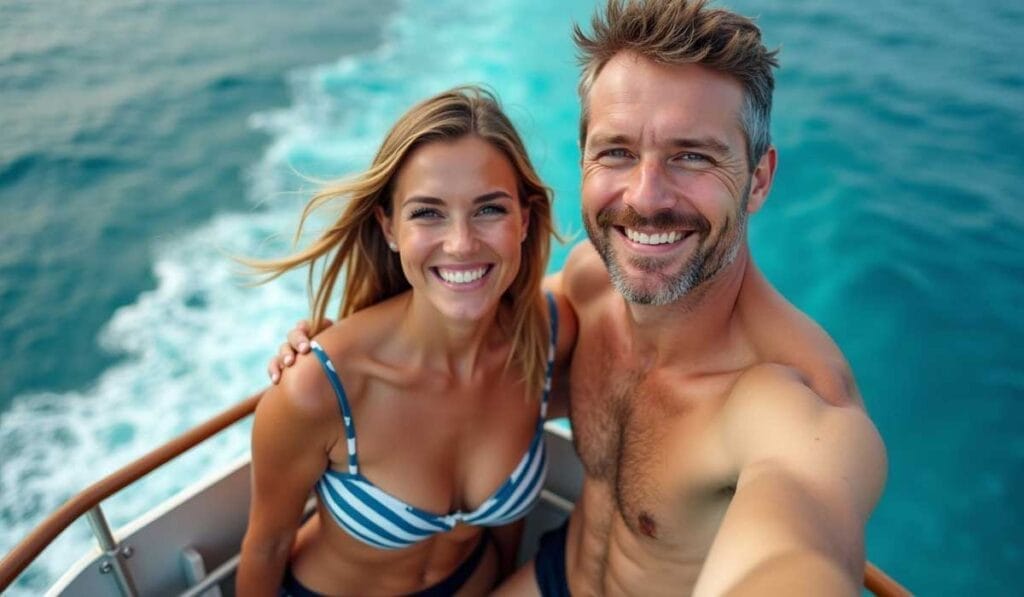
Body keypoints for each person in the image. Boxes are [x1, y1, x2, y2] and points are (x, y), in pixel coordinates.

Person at [271, 1, 888, 595]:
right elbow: (462, 335)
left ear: (757, 179)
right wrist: (335, 347)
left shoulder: (794, 396)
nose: (646, 197)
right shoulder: (591, 285)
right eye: (617, 151)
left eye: (692, 156)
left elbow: (797, 546)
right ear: (584, 161)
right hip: (553, 576)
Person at [238, 86, 576, 596]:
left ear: (524, 221)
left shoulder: (546, 335)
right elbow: (265, 548)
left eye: (490, 209)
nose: (462, 243)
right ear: (389, 226)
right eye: (427, 212)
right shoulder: (319, 389)